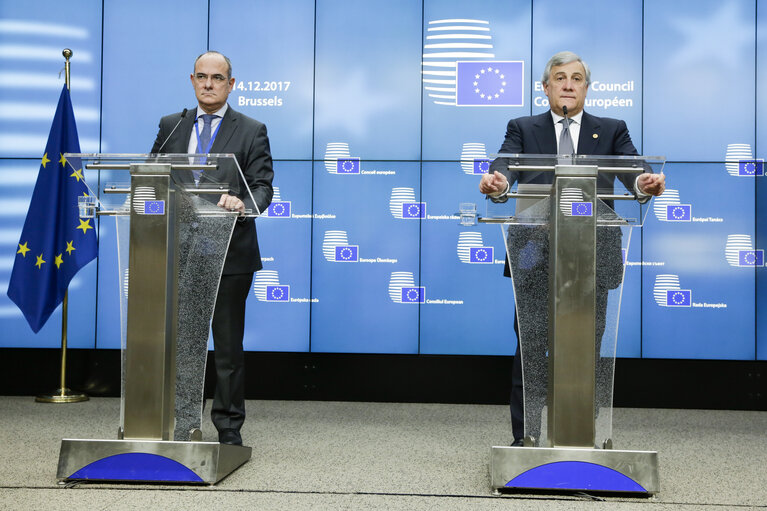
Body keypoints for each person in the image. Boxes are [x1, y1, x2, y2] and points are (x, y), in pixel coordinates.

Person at [478, 51, 665, 446]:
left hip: (592, 253)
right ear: (546, 87)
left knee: (588, 347)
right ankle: (525, 438)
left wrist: (643, 185)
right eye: (559, 77)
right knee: (530, 348)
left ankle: (585, 434)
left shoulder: (612, 128)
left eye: (576, 78)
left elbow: (634, 168)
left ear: (585, 87)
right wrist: (498, 183)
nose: (568, 84)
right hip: (533, 251)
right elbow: (505, 165)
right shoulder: (523, 127)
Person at [151, 51, 274, 446]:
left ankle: (228, 428)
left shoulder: (252, 128)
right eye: (201, 77)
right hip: (179, 251)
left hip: (228, 254)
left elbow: (262, 186)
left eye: (217, 78)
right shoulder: (172, 126)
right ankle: (182, 422)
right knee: (183, 344)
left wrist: (244, 204)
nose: (208, 84)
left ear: (231, 84)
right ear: (192, 80)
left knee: (226, 349)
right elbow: (153, 176)